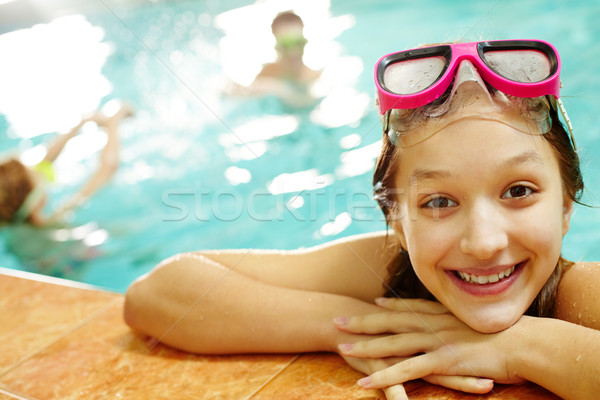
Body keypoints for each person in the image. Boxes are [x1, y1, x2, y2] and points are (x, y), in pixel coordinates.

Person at [123, 40, 600, 400]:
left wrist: (526, 347)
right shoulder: (387, 270)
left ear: (564, 207)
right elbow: (159, 293)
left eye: (518, 192)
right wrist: (355, 327)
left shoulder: (578, 295)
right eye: (438, 202)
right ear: (396, 219)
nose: (482, 242)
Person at [0, 100, 132, 226]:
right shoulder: (51, 220)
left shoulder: (11, 216)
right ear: (36, 209)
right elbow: (108, 169)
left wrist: (82, 122)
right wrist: (115, 120)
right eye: (39, 176)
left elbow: (46, 160)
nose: (40, 170)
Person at [224, 11, 322, 106]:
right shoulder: (268, 73)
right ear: (276, 47)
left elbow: (308, 103)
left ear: (305, 43)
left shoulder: (314, 77)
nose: (293, 52)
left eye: (298, 43)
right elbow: (240, 98)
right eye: (286, 46)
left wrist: (280, 89)